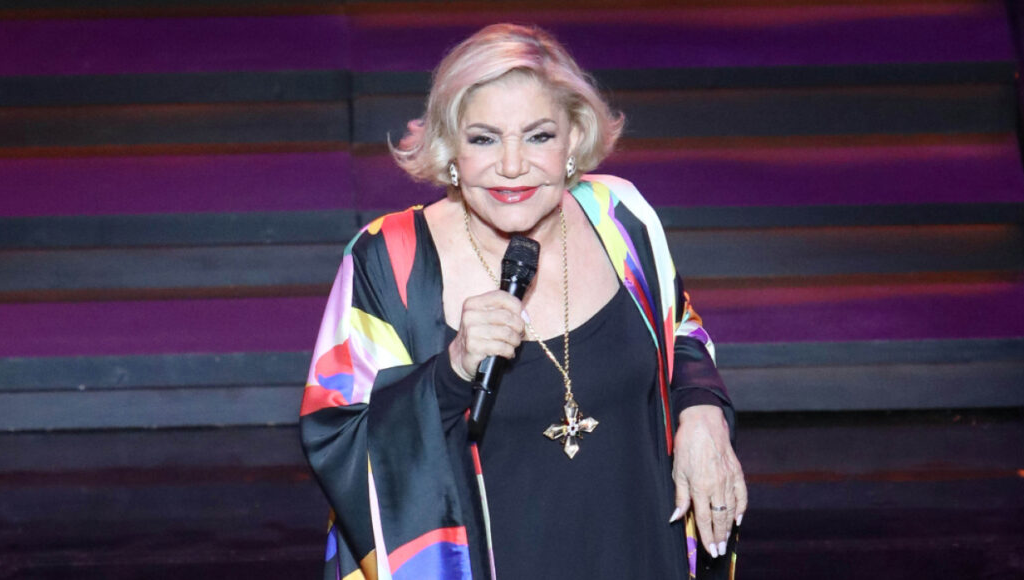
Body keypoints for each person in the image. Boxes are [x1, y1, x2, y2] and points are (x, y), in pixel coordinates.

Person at [300, 23, 746, 580]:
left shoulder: (621, 216)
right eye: (484, 139)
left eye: (538, 136)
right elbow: (338, 433)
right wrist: (451, 372)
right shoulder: (390, 260)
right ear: (450, 148)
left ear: (572, 140)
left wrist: (701, 410)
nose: (512, 166)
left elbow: (679, 329)